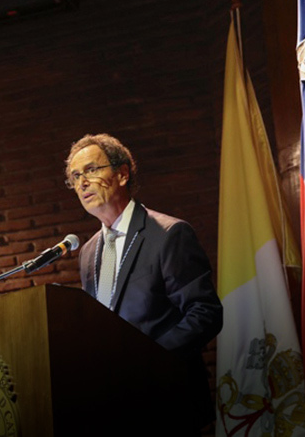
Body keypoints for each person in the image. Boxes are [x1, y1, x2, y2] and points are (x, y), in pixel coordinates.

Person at [65, 133, 222, 430]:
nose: (82, 182)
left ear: (122, 174)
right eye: (75, 176)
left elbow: (205, 313)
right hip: (115, 408)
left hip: (167, 401)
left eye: (91, 170)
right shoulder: (87, 253)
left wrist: (147, 363)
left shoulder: (169, 234)